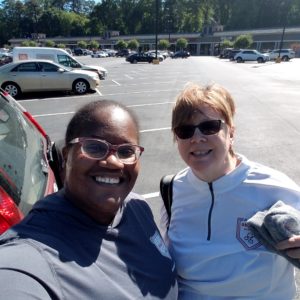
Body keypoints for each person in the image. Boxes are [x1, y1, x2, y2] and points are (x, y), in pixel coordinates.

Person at [0, 100, 178, 299]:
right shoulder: (31, 256)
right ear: (67, 156)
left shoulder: (137, 207)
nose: (112, 162)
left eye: (126, 151)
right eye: (94, 147)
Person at [159, 82, 300, 300]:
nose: (196, 138)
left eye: (209, 127)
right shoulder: (171, 190)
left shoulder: (273, 186)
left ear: (231, 132)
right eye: (185, 131)